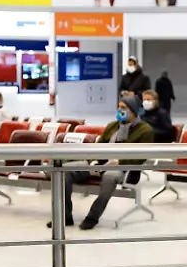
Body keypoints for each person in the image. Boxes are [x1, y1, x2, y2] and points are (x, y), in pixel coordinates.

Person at [58, 95, 154, 230]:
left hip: (124, 168)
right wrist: (95, 161)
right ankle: (65, 215)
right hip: (101, 163)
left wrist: (118, 161)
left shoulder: (145, 130)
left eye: (123, 107)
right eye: (119, 107)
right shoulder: (112, 126)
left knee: (109, 176)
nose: (119, 110)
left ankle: (93, 216)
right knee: (63, 171)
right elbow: (98, 147)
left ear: (133, 111)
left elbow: (140, 157)